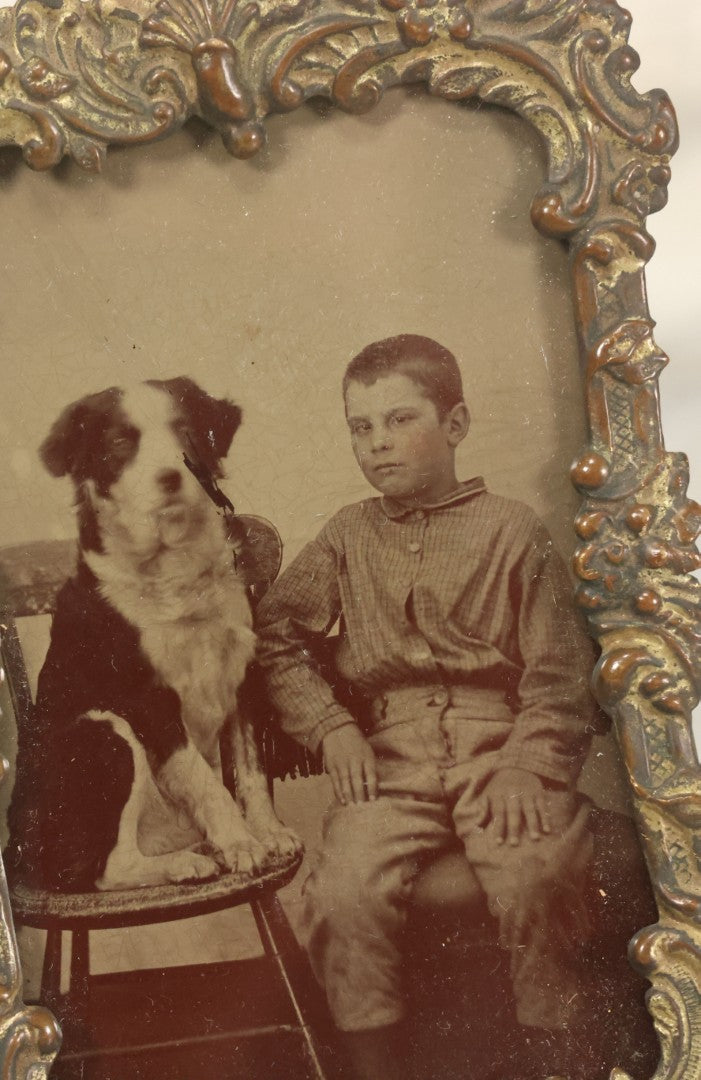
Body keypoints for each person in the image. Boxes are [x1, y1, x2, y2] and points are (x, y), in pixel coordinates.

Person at [255, 334, 602, 1080]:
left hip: (499, 740)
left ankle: (554, 1059)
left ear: (455, 424)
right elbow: (274, 634)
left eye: (399, 420)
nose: (377, 445)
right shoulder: (349, 534)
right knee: (342, 893)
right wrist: (331, 726)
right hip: (390, 755)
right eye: (360, 427)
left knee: (538, 872)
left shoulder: (512, 530)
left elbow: (560, 671)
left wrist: (528, 765)